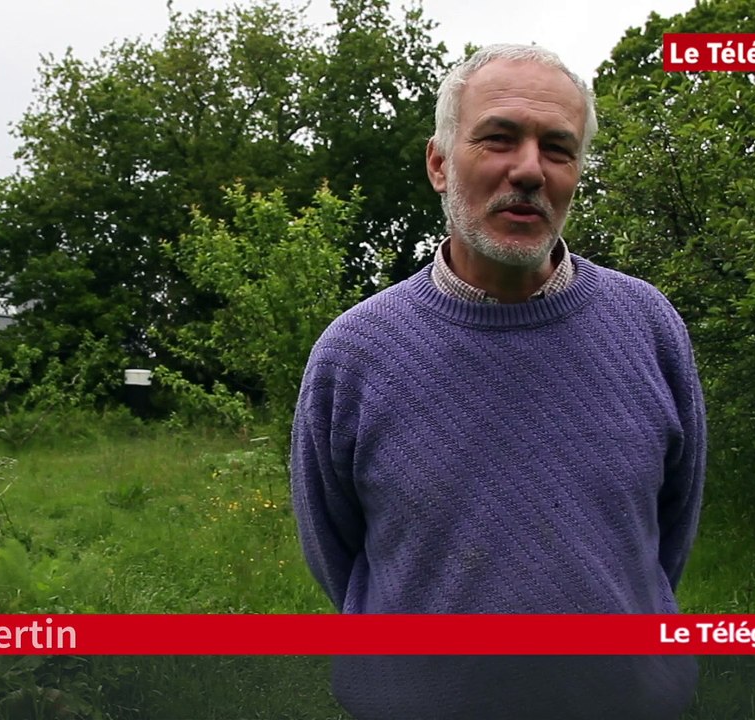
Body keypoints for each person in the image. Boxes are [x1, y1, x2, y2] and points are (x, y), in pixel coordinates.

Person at [290, 43, 707, 719]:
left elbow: (665, 539)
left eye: (558, 148)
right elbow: (336, 554)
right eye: (498, 139)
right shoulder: (355, 354)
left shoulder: (649, 327)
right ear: (438, 163)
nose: (529, 170)